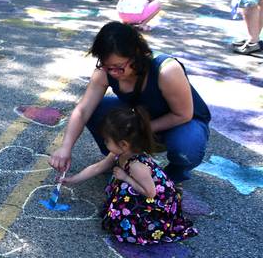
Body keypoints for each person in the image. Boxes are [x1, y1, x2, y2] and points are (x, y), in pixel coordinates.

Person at [50, 22, 211, 184]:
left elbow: (183, 114)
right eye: (107, 67)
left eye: (118, 67)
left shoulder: (166, 70)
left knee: (187, 146)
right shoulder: (104, 72)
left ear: (136, 54)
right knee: (98, 109)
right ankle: (118, 159)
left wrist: (136, 129)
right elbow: (83, 111)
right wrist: (66, 147)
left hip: (182, 123)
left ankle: (173, 175)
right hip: (142, 118)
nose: (113, 72)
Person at [62, 106, 198, 245]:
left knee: (123, 225)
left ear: (124, 144)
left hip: (156, 204)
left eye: (107, 140)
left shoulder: (137, 166)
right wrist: (73, 179)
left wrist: (126, 178)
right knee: (121, 193)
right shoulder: (120, 152)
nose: (105, 143)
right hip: (141, 188)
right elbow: (99, 167)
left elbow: (151, 193)